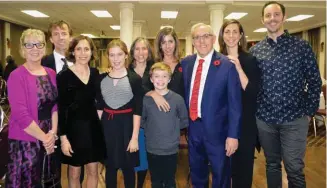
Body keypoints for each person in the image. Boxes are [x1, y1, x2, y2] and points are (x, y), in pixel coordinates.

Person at [249, 1, 322, 188]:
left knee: (294, 167)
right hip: (265, 120)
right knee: (272, 165)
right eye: (268, 15)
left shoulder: (301, 47)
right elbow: (251, 85)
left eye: (276, 14)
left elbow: (314, 81)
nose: (272, 19)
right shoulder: (255, 51)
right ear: (262, 19)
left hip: (294, 119)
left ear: (284, 17)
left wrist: (309, 112)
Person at [181, 23, 242, 188]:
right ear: (192, 41)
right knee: (197, 173)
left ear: (214, 39)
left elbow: (235, 104)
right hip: (193, 130)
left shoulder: (227, 65)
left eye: (206, 36)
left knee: (221, 175)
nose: (202, 41)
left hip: (219, 134)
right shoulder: (186, 64)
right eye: (197, 37)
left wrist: (233, 136)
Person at [5, 29, 58, 187]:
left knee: (46, 180)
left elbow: (55, 105)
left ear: (44, 47)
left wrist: (53, 133)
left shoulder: (51, 73)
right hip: (26, 140)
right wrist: (45, 138)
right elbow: (21, 115)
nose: (35, 48)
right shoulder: (16, 75)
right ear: (22, 48)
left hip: (48, 135)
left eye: (39, 44)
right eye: (29, 45)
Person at [57, 35, 105, 188]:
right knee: (74, 173)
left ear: (91, 52)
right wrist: (63, 139)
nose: (83, 53)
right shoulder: (64, 76)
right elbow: (61, 108)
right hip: (73, 131)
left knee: (93, 171)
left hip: (93, 129)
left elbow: (100, 100)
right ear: (73, 52)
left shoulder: (96, 73)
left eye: (87, 49)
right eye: (79, 49)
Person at [41, 20, 85, 185]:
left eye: (64, 33)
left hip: (76, 123)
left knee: (77, 165)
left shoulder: (81, 61)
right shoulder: (44, 63)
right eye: (56, 34)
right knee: (53, 166)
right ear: (51, 39)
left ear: (70, 36)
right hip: (50, 124)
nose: (61, 38)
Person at [218, 19, 260, 188]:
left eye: (235, 31)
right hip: (223, 122)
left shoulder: (249, 60)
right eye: (227, 31)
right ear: (222, 35)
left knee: (243, 172)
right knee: (223, 170)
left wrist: (238, 68)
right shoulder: (217, 59)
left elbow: (252, 92)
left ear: (241, 35)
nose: (231, 35)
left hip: (245, 123)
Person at [96, 39, 143, 188]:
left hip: (127, 126)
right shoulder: (102, 79)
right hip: (108, 126)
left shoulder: (134, 79)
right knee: (110, 166)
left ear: (125, 56)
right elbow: (100, 107)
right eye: (112, 55)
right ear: (108, 57)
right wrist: (97, 133)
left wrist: (134, 137)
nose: (116, 59)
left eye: (119, 54)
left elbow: (138, 109)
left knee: (128, 167)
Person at [142, 62, 188, 188]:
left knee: (170, 181)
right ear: (151, 79)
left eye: (164, 76)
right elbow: (142, 121)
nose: (160, 80)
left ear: (169, 79)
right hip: (152, 148)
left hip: (171, 149)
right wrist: (152, 131)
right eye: (156, 76)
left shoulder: (178, 99)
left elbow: (184, 120)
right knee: (155, 181)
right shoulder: (146, 100)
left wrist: (171, 130)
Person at [129, 37, 154, 188]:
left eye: (144, 48)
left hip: (148, 119)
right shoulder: (126, 70)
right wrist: (151, 93)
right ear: (132, 52)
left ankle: (140, 185)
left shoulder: (154, 68)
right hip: (129, 118)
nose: (140, 52)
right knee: (130, 155)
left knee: (143, 157)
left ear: (149, 51)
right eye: (137, 49)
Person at [153, 27, 184, 112]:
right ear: (160, 45)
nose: (167, 46)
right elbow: (144, 87)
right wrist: (154, 95)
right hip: (158, 111)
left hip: (179, 111)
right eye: (163, 42)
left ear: (175, 43)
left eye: (170, 41)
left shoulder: (184, 64)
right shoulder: (154, 64)